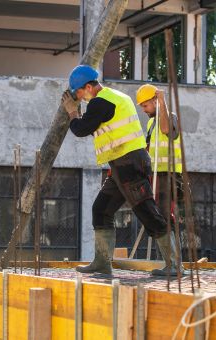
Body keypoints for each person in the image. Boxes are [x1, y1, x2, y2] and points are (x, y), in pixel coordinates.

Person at [61, 65, 182, 276]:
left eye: (78, 93)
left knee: (147, 212)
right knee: (101, 209)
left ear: (88, 87)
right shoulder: (115, 97)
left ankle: (174, 265)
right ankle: (102, 262)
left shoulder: (100, 102)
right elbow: (97, 128)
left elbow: (80, 130)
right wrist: (79, 113)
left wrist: (72, 113)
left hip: (128, 165)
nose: (78, 97)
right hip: (123, 164)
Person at [136, 84, 183, 256]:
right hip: (155, 175)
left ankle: (172, 262)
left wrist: (163, 101)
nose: (143, 109)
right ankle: (164, 260)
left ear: (155, 101)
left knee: (164, 218)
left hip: (169, 176)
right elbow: (148, 147)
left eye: (145, 105)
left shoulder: (170, 117)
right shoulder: (151, 122)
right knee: (157, 217)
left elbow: (166, 130)